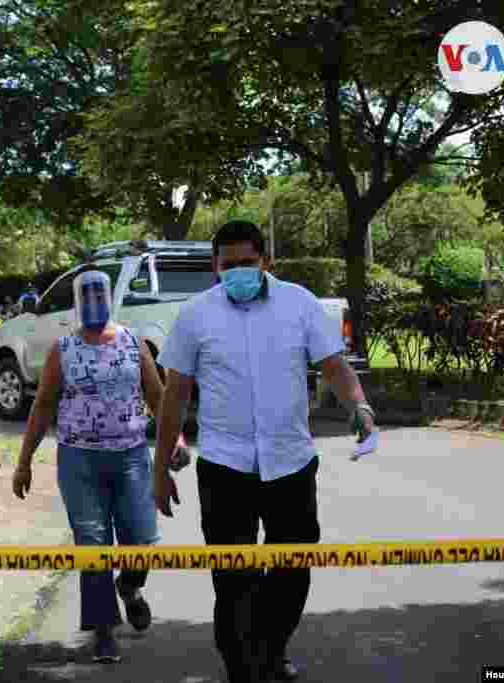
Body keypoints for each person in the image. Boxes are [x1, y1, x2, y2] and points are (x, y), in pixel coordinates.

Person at [153, 220, 378, 683]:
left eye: (247, 263)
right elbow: (174, 395)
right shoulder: (195, 315)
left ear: (266, 262)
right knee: (233, 580)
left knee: (293, 572)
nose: (237, 272)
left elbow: (334, 366)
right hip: (224, 468)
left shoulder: (300, 304)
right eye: (227, 265)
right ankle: (242, 668)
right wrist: (160, 469)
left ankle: (272, 649)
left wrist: (360, 405)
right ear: (214, 268)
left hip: (291, 464)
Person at [12, 269, 188, 663]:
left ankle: (129, 585)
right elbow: (42, 406)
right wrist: (24, 462)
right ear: (76, 300)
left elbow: (158, 397)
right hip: (80, 460)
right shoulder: (64, 348)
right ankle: (104, 630)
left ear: (110, 297)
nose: (93, 298)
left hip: (131, 456)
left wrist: (174, 439)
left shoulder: (134, 343)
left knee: (141, 538)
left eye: (99, 291)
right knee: (92, 545)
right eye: (85, 292)